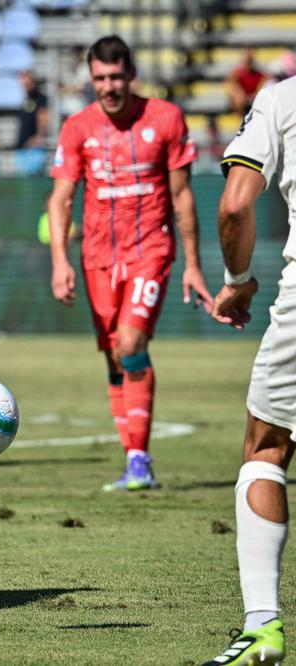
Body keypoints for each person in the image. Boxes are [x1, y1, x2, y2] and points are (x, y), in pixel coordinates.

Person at [48, 35, 213, 491]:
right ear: (90, 78)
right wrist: (60, 262)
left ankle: (140, 460)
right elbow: (61, 200)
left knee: (131, 339)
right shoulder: (78, 127)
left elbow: (181, 196)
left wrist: (193, 266)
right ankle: (133, 459)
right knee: (114, 355)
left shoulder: (165, 118)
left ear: (131, 74)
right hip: (97, 257)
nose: (108, 86)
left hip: (150, 250)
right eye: (100, 78)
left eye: (116, 76)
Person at [201, 75, 296, 666]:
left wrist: (237, 284)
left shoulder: (283, 98)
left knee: (265, 448)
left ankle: (262, 627)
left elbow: (236, 203)